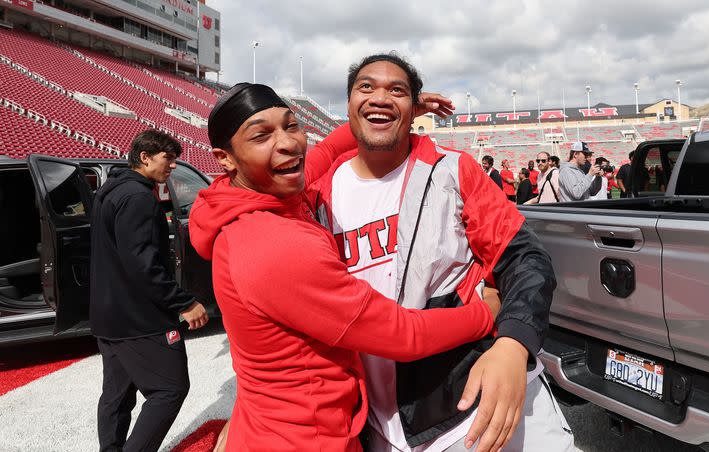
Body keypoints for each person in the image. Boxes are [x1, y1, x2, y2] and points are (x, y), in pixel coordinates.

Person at [189, 83, 499, 452]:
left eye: (290, 125)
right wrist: (486, 313)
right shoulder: (273, 244)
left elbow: (332, 147)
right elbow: (403, 334)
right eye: (261, 135)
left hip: (266, 422)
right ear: (225, 158)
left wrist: (398, 114)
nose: (288, 143)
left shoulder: (261, 193)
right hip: (307, 438)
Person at [311, 53, 572, 452]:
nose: (380, 97)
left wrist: (514, 343)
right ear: (347, 104)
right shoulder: (318, 194)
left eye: (396, 90)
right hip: (380, 428)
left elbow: (525, 259)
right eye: (366, 87)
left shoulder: (452, 169)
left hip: (477, 405)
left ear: (413, 108)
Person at [91, 130, 210, 452]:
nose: (172, 166)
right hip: (138, 318)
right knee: (170, 389)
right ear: (145, 157)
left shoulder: (110, 190)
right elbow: (142, 262)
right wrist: (183, 302)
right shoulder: (138, 196)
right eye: (167, 159)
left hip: (108, 315)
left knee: (117, 394)